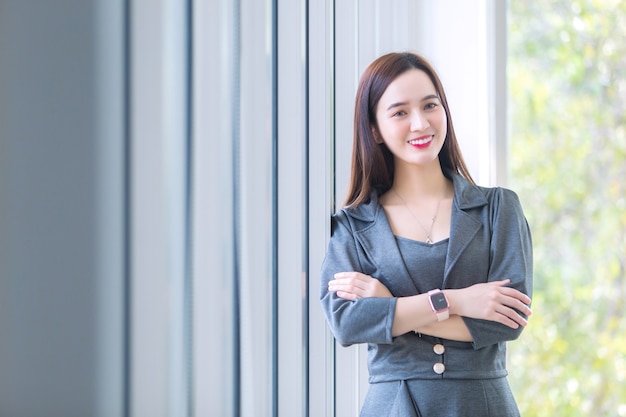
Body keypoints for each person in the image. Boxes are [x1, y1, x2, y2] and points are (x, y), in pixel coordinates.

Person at [320, 52, 533, 417]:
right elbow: (347, 322)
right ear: (374, 128)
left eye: (430, 105)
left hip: (482, 405)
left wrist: (392, 308)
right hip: (393, 406)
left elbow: (507, 319)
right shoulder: (353, 227)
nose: (420, 123)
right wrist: (457, 300)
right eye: (400, 112)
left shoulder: (499, 208)